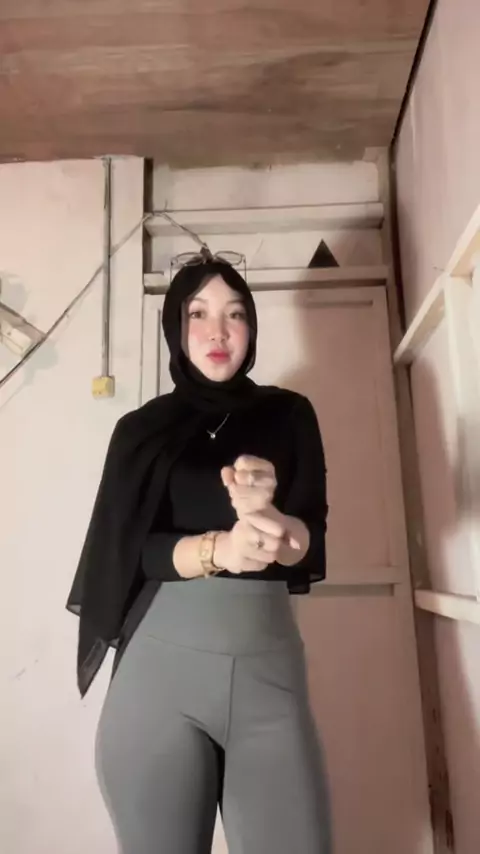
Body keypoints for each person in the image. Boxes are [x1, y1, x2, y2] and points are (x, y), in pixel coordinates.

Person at [67, 256, 330, 854]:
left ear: (252, 328)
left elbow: (309, 538)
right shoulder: (140, 430)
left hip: (270, 682)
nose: (218, 331)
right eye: (198, 314)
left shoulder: (289, 414)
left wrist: (269, 520)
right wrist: (223, 549)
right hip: (156, 685)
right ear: (175, 328)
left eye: (235, 315)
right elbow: (127, 551)